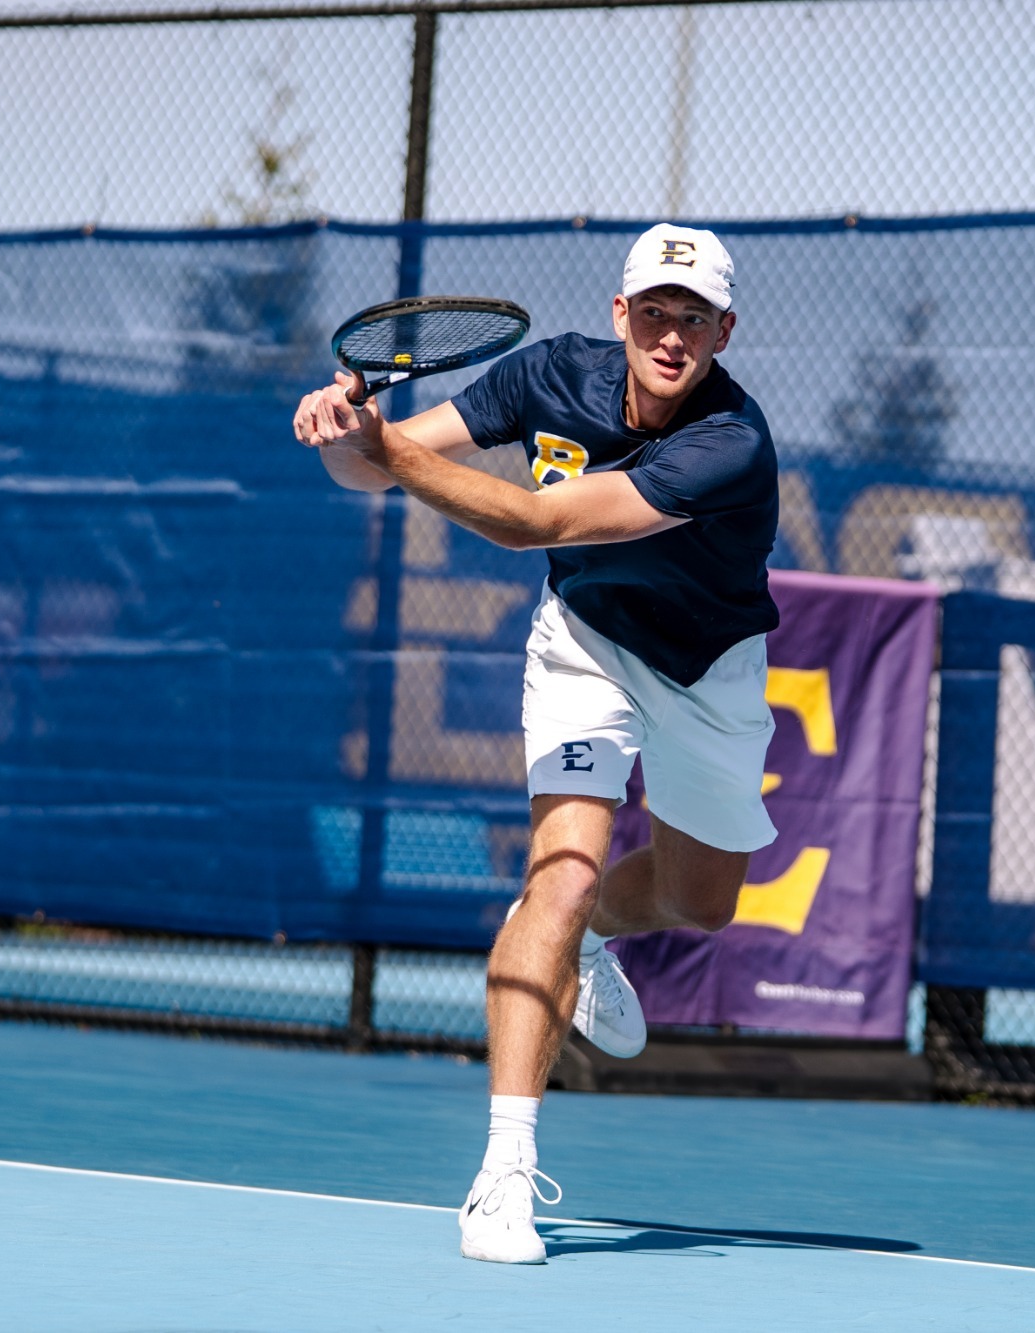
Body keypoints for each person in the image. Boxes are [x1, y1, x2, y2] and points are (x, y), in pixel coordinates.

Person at [292, 224, 779, 1264]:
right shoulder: (551, 371)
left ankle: (591, 928)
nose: (669, 333)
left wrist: (386, 451)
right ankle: (502, 1173)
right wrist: (343, 429)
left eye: (693, 318)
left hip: (708, 670)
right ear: (620, 314)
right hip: (584, 648)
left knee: (700, 903)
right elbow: (370, 474)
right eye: (653, 309)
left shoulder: (729, 443)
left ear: (721, 333)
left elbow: (534, 524)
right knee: (553, 881)